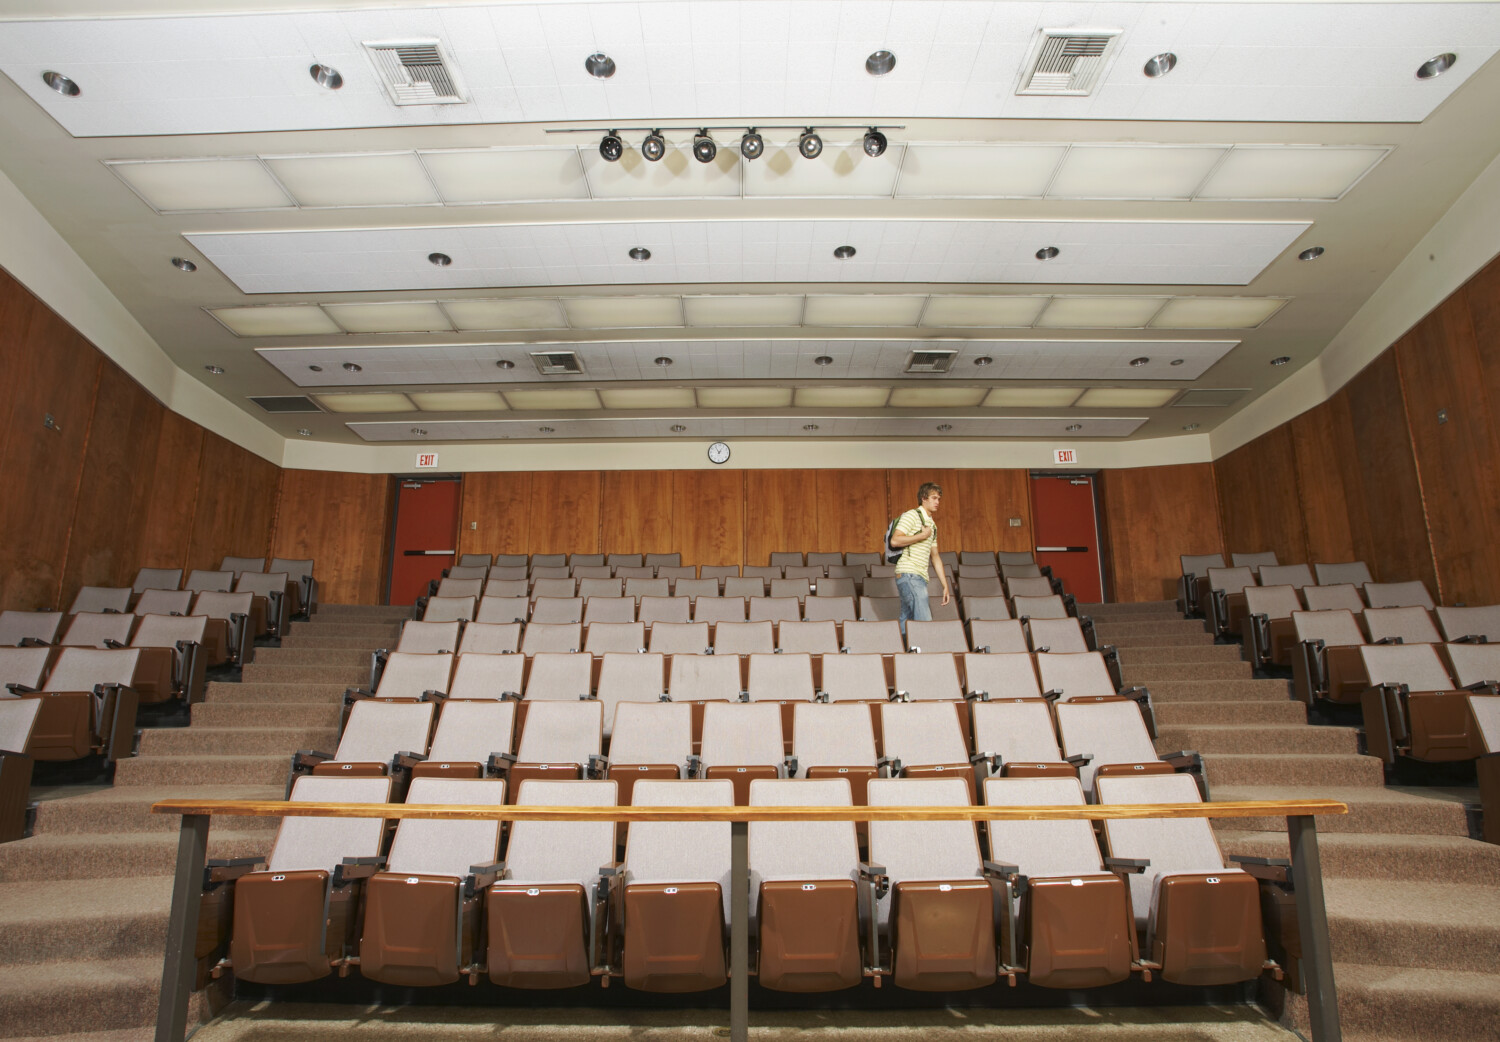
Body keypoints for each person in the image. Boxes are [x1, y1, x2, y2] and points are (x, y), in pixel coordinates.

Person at [890, 482, 951, 637]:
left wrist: (945, 585)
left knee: (908, 621)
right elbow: (895, 540)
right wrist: (922, 536)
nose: (938, 502)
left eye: (939, 499)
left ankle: (905, 656)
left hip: (918, 577)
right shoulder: (912, 515)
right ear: (924, 498)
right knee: (924, 623)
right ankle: (924, 657)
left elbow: (935, 556)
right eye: (934, 498)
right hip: (909, 574)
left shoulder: (932, 525)